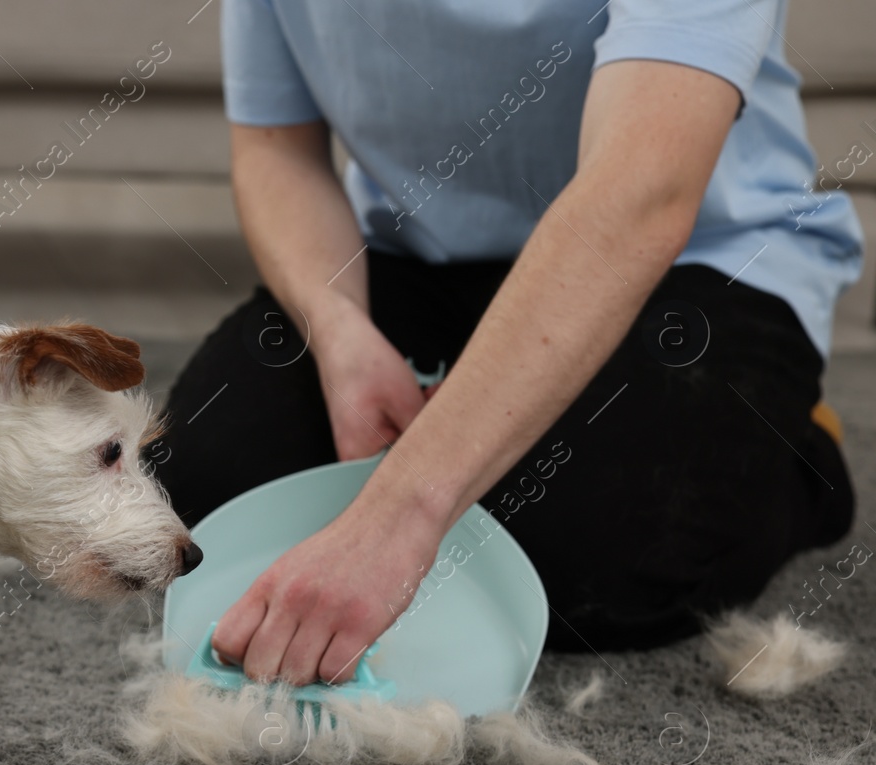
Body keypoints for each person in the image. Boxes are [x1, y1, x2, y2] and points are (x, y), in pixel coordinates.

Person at [155, 0, 864, 686]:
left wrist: (397, 517)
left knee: (593, 556)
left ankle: (797, 458)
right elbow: (277, 149)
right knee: (203, 489)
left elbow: (641, 192)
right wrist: (338, 327)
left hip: (690, 266)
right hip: (421, 258)